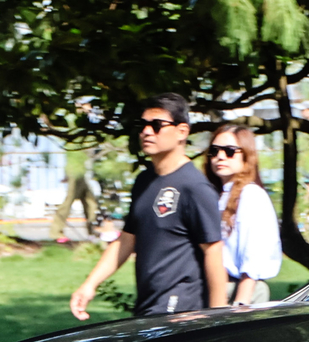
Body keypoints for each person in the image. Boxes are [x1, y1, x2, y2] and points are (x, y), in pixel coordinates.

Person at [68, 95, 230, 319]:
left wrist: (217, 316)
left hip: (181, 309)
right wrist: (89, 284)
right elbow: (126, 240)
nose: (146, 132)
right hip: (148, 305)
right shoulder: (144, 181)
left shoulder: (195, 187)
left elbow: (213, 250)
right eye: (142, 125)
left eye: (156, 126)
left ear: (182, 131)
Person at [207, 125, 282, 306]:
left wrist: (241, 302)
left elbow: (254, 253)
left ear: (246, 155)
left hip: (241, 290)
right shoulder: (216, 194)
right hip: (216, 287)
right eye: (214, 150)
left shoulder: (250, 194)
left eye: (230, 151)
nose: (221, 156)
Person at [48, 143, 106, 245]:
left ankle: (93, 231)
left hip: (83, 174)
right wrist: (68, 174)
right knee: (68, 202)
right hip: (75, 173)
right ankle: (56, 232)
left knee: (90, 202)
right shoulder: (74, 141)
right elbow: (71, 159)